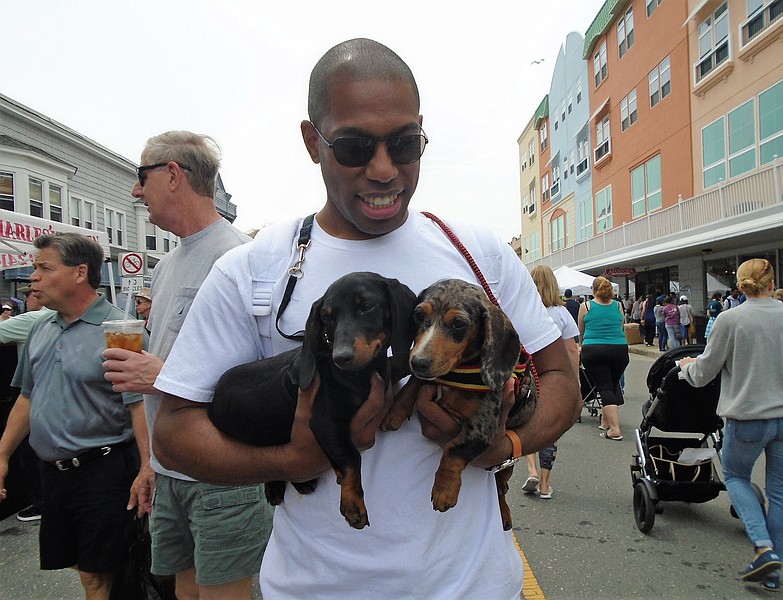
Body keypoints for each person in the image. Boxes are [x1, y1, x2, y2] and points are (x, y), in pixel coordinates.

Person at [149, 38, 580, 600]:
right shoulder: (253, 268)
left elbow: (562, 381)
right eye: (354, 146)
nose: (383, 169)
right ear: (313, 142)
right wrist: (290, 459)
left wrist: (507, 446)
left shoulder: (480, 253)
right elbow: (175, 434)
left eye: (405, 143)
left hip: (477, 588)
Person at [101, 131, 270, 600]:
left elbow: (266, 377)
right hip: (172, 469)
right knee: (184, 595)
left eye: (141, 176)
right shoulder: (165, 266)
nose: (135, 190)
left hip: (222, 474)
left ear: (172, 174)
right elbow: (161, 365)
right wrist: (150, 461)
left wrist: (162, 376)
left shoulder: (240, 257)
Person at [0, 233, 149, 600]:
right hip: (52, 475)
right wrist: (2, 453)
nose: (33, 276)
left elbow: (139, 404)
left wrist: (148, 467)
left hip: (103, 471)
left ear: (80, 272)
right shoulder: (40, 326)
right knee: (83, 568)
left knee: (100, 576)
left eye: (44, 268)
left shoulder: (119, 331)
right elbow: (27, 398)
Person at [679, 259, 783, 592]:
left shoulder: (730, 320)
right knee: (781, 494)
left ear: (741, 283)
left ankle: (762, 546)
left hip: (748, 416)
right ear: (773, 281)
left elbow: (704, 373)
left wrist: (686, 366)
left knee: (734, 476)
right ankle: (773, 570)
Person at [521, 266, 580, 499]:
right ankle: (545, 484)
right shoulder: (563, 314)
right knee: (549, 429)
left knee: (525, 422)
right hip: (553, 377)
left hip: (526, 376)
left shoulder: (523, 311)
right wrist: (574, 383)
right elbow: (572, 350)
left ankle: (531, 469)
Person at [0, 285, 55, 522]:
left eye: (28, 293)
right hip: (43, 396)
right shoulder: (48, 321)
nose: (27, 298)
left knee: (30, 453)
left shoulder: (32, 320)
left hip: (33, 396)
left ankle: (40, 503)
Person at [578, 276, 629, 441]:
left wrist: (580, 346)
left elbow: (581, 331)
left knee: (605, 387)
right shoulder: (618, 305)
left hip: (594, 349)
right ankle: (606, 423)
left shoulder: (586, 306)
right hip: (619, 349)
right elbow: (621, 326)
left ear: (593, 290)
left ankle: (614, 429)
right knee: (612, 383)